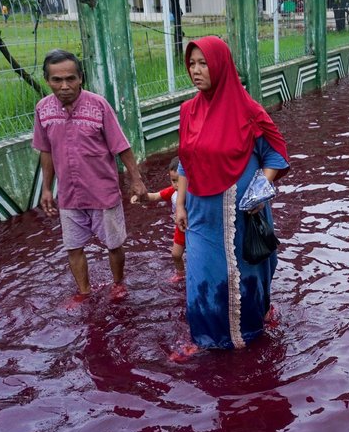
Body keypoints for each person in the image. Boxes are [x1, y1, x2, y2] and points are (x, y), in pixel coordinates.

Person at [175, 36, 290, 350]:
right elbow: (186, 161)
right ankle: (204, 338)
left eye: (204, 64)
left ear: (221, 66)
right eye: (192, 64)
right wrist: (180, 205)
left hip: (242, 215)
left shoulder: (247, 111)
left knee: (249, 274)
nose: (196, 71)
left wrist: (259, 191)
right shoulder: (188, 111)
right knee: (201, 276)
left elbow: (276, 157)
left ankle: (252, 329)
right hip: (201, 215)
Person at [32, 49, 148, 301]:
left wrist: (135, 178)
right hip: (69, 195)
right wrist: (47, 189)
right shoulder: (43, 110)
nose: (64, 86)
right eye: (57, 80)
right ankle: (84, 292)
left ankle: (118, 283)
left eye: (70, 78)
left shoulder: (98, 106)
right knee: (73, 247)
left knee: (114, 244)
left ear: (81, 78)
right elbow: (46, 151)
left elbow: (121, 146)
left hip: (103, 192)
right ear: (47, 80)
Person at [132, 156, 186, 277]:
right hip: (180, 228)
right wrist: (141, 197)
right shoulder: (173, 191)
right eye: (173, 180)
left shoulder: (194, 193)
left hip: (194, 227)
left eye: (179, 180)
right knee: (176, 254)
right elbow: (155, 196)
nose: (177, 184)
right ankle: (181, 274)